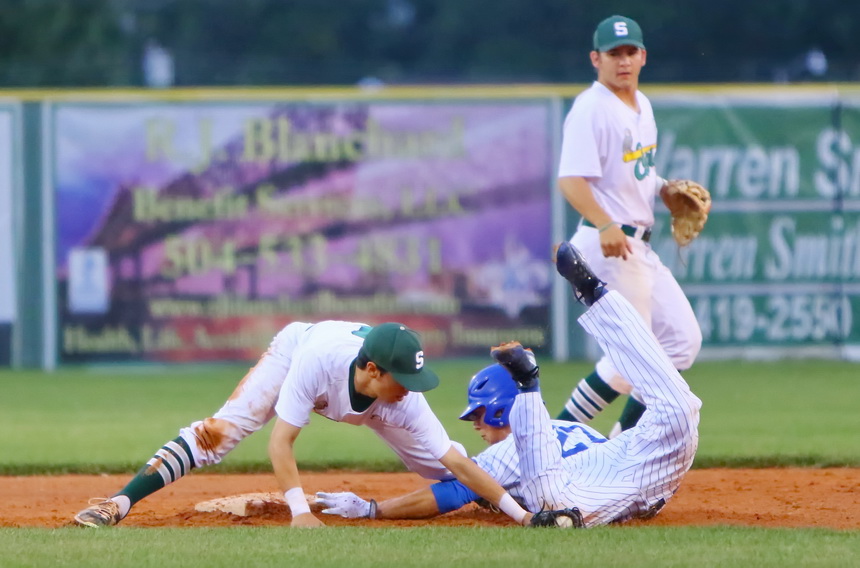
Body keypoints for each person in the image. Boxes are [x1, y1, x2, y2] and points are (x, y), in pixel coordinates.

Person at [317, 242, 701, 527]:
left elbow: (453, 492)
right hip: (642, 472)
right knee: (682, 410)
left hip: (594, 488)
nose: (477, 426)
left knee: (553, 504)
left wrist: (373, 509)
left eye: (479, 415)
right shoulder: (568, 428)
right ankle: (599, 297)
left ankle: (529, 382)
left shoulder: (500, 455)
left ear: (501, 407)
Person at [74, 320, 532, 528]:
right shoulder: (315, 362)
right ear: (373, 369)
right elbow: (281, 443)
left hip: (364, 396)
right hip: (297, 349)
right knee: (222, 433)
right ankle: (119, 503)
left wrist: (522, 514)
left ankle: (517, 495)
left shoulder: (403, 399)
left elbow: (456, 459)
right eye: (404, 377)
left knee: (449, 471)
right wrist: (300, 513)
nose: (412, 387)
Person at [555, 14, 702, 435]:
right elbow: (570, 179)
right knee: (631, 359)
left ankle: (620, 442)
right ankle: (550, 444)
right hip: (608, 245)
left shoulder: (642, 106)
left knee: (681, 343)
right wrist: (605, 224)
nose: (622, 60)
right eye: (613, 53)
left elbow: (629, 177)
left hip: (638, 247)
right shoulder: (591, 109)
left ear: (643, 57)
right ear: (595, 59)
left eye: (630, 52)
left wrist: (664, 189)